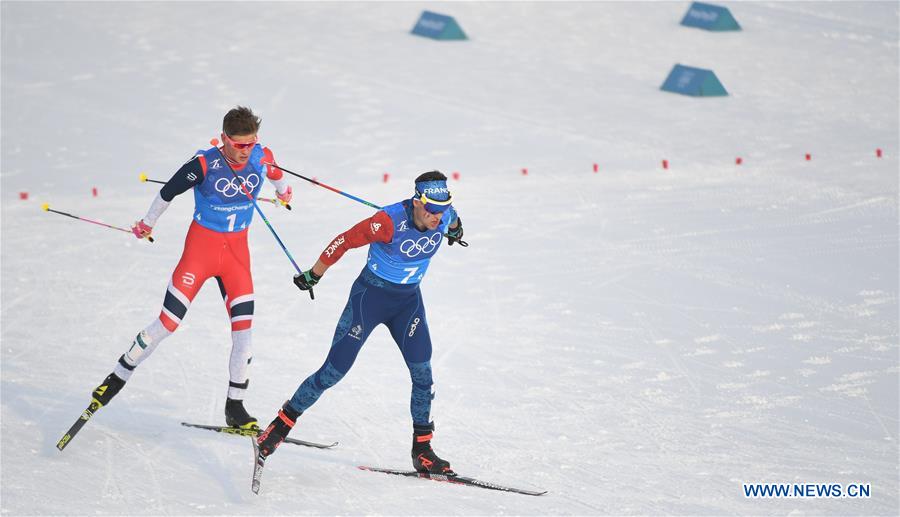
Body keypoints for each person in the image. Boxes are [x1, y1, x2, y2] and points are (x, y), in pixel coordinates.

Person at [87, 106, 293, 429]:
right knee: (167, 324)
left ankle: (235, 407)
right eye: (238, 145)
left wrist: (284, 194)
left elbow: (278, 177)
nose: (245, 152)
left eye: (250, 144)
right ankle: (116, 377)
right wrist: (146, 224)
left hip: (237, 258)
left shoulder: (261, 156)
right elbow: (168, 191)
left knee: (245, 336)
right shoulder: (204, 165)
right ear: (224, 139)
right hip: (201, 253)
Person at [255, 171, 465, 474]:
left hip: (407, 304)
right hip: (370, 300)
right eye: (432, 208)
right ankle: (277, 427)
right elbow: (343, 241)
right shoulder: (388, 221)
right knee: (333, 371)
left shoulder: (444, 215)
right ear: (418, 202)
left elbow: (455, 222)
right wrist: (315, 273)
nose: (438, 215)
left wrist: (456, 231)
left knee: (423, 373)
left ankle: (423, 450)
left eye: (443, 207)